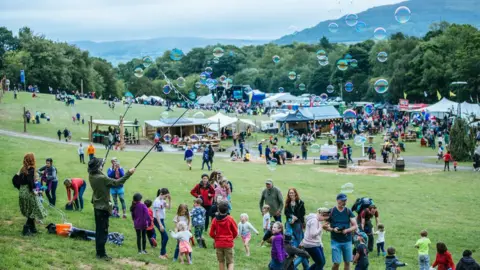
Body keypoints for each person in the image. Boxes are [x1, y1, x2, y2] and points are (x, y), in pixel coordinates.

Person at [88, 157, 135, 261]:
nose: (101, 165)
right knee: (103, 232)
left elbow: (100, 173)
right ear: (97, 168)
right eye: (100, 165)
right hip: (103, 208)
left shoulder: (91, 175)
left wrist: (100, 165)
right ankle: (101, 254)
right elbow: (116, 183)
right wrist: (129, 173)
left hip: (97, 207)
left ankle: (99, 252)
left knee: (99, 231)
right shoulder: (101, 178)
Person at [16, 153, 47, 236]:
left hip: (22, 192)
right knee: (34, 210)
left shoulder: (22, 168)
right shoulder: (31, 169)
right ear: (32, 160)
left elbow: (15, 180)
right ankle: (26, 229)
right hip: (29, 192)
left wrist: (21, 188)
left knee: (31, 210)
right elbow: (30, 181)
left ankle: (33, 228)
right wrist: (34, 190)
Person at [325, 193, 358, 270]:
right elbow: (325, 226)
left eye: (345, 200)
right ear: (337, 200)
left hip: (347, 241)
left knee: (347, 262)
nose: (344, 202)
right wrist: (333, 229)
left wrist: (347, 230)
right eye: (343, 200)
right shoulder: (332, 211)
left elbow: (355, 226)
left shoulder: (348, 211)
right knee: (336, 263)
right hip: (335, 241)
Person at [210, 200, 238, 270]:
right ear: (228, 209)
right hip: (228, 243)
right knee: (230, 262)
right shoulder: (230, 219)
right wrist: (231, 238)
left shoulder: (214, 219)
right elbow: (235, 232)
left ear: (218, 209)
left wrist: (216, 238)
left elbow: (211, 233)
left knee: (221, 261)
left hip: (219, 243)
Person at [153, 188, 170, 259]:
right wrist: (160, 225)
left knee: (163, 237)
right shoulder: (156, 202)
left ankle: (164, 252)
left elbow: (169, 207)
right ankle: (161, 254)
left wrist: (170, 199)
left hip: (162, 220)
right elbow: (157, 214)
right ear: (161, 194)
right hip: (157, 220)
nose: (166, 198)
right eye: (165, 196)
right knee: (166, 237)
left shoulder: (162, 200)